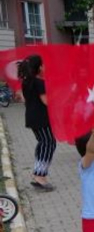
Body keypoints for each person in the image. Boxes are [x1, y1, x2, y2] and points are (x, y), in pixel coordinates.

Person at [19, 55, 56, 191]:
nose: (45, 67)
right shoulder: (39, 82)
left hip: (32, 117)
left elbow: (24, 100)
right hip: (41, 118)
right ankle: (39, 176)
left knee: (44, 143)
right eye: (43, 65)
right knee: (49, 143)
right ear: (39, 67)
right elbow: (46, 101)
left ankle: (38, 173)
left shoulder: (26, 82)